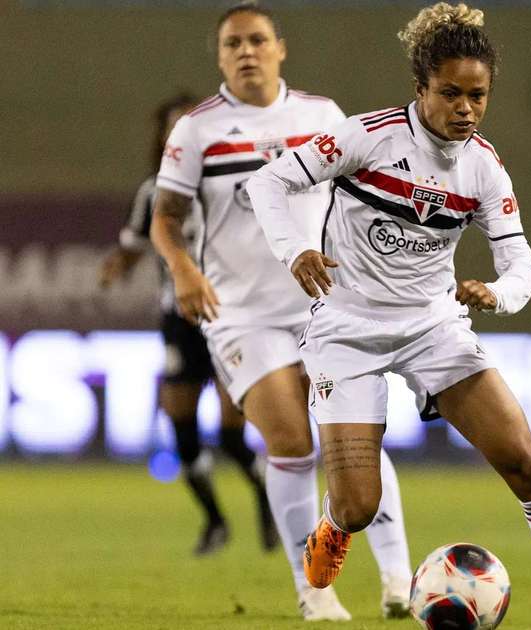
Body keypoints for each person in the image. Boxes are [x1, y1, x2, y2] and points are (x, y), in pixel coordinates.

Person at [245, 3, 531, 628]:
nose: (466, 109)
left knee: (526, 464)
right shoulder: (366, 137)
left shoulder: (483, 167)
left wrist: (499, 294)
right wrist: (297, 251)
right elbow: (269, 183)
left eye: (478, 95)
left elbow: (521, 262)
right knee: (360, 505)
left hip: (433, 330)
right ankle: (335, 526)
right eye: (451, 93)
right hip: (347, 332)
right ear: (421, 88)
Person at [149, 2, 413, 621]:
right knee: (292, 442)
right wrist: (183, 268)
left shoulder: (322, 116)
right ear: (220, 56)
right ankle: (313, 587)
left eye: (257, 40)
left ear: (280, 48)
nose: (247, 51)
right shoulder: (196, 129)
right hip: (241, 313)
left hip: (325, 304)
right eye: (233, 43)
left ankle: (399, 578)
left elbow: (365, 194)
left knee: (357, 438)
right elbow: (165, 217)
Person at [99, 92, 277, 557]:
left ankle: (264, 493)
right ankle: (216, 520)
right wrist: (119, 264)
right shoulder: (154, 191)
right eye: (171, 128)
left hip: (228, 318)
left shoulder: (231, 183)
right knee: (179, 425)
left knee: (230, 432)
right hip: (179, 320)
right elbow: (137, 243)